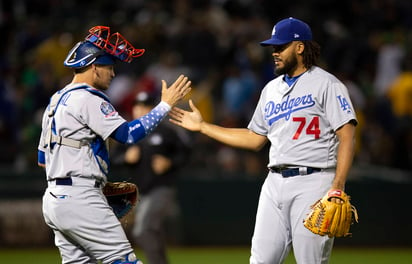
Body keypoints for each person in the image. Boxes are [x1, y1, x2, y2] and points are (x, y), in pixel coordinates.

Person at [170, 17, 357, 264]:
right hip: (274, 183)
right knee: (260, 261)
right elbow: (255, 138)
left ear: (300, 47)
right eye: (273, 48)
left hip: (314, 181)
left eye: (281, 47)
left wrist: (338, 186)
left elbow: (347, 135)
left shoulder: (327, 84)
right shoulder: (271, 89)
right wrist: (204, 127)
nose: (275, 53)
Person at [37, 25, 191, 264]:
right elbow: (128, 135)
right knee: (125, 261)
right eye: (109, 66)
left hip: (54, 200)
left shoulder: (56, 100)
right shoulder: (88, 98)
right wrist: (165, 105)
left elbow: (42, 160)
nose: (113, 73)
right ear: (94, 66)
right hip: (80, 197)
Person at [121, 91, 191, 264]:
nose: (140, 110)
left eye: (144, 106)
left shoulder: (166, 132)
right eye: (137, 106)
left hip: (161, 188)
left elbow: (185, 154)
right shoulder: (130, 132)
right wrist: (125, 157)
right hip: (140, 192)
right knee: (153, 231)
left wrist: (170, 162)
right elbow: (114, 158)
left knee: (142, 230)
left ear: (152, 109)